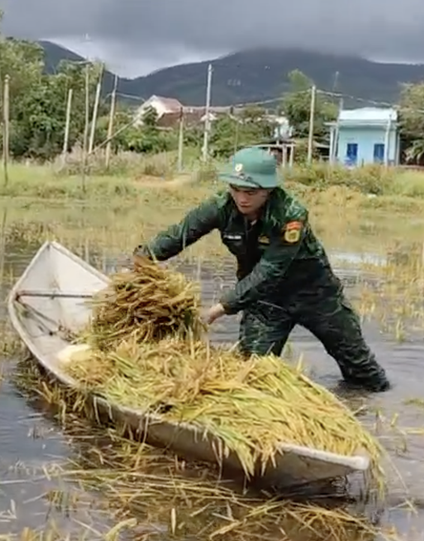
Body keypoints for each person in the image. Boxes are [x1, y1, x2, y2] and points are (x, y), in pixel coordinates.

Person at [132, 147, 391, 393]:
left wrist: (219, 308)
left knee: (362, 372)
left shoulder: (290, 215)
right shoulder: (221, 207)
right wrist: (144, 258)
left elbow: (270, 270)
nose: (242, 198)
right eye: (236, 189)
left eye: (251, 192)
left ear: (268, 189)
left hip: (315, 296)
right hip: (264, 301)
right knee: (252, 374)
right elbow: (181, 234)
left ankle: (365, 411)